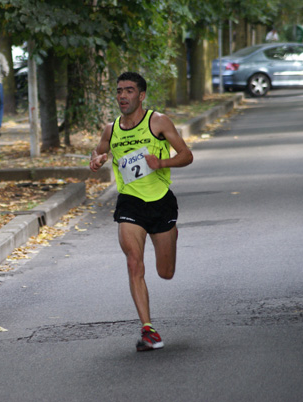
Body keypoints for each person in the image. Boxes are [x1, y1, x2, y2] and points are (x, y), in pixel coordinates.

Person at [89, 72, 193, 352]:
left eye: (129, 91)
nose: (123, 96)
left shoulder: (158, 122)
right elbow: (99, 152)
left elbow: (186, 155)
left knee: (165, 272)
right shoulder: (110, 129)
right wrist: (97, 160)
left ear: (142, 95)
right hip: (130, 202)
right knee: (134, 262)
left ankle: (170, 236)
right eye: (119, 91)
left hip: (160, 201)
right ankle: (148, 330)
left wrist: (161, 163)